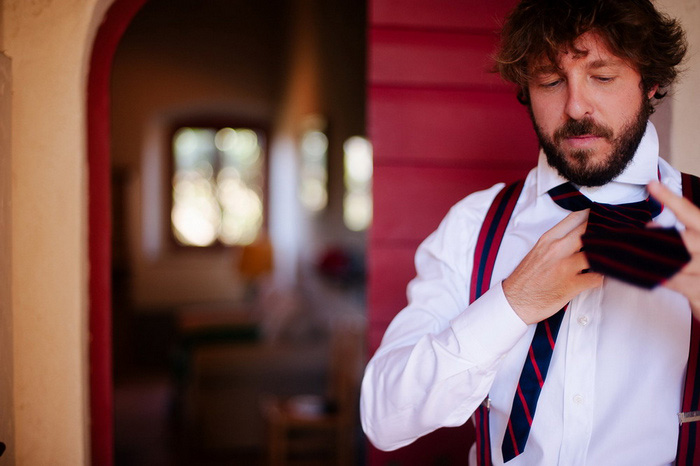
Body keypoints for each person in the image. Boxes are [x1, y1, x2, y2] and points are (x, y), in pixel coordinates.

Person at [359, 0, 700, 465]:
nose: (576, 105)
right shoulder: (473, 225)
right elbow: (383, 417)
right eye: (551, 81)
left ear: (651, 83)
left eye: (602, 77)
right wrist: (514, 302)